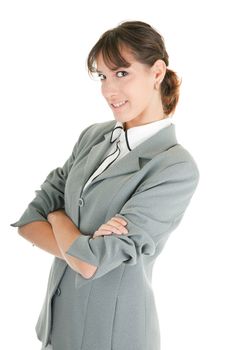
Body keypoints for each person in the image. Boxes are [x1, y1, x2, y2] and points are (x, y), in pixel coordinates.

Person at [10, 20, 200, 350]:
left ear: (157, 72)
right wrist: (79, 245)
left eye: (122, 73)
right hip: (58, 328)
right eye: (102, 76)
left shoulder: (174, 166)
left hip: (112, 336)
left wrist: (57, 218)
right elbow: (29, 222)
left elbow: (90, 263)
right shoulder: (93, 137)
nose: (109, 90)